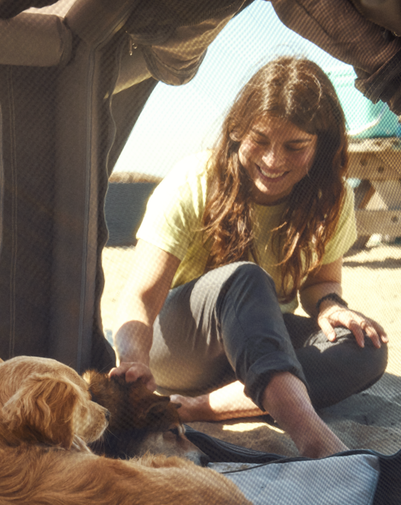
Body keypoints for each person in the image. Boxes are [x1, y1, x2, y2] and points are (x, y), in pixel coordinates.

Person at [110, 55, 388, 459]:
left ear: (321, 145)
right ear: (238, 130)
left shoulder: (331, 197)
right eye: (260, 140)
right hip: (181, 348)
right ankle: (310, 436)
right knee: (246, 278)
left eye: (295, 146)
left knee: (367, 345)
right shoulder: (195, 181)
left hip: (258, 351)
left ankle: (199, 408)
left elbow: (321, 284)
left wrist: (330, 305)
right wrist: (134, 361)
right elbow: (141, 294)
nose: (273, 161)